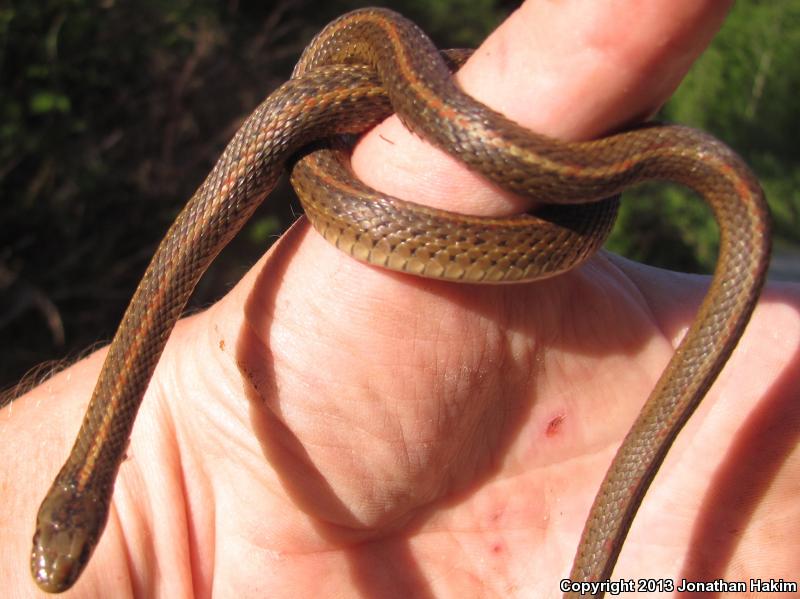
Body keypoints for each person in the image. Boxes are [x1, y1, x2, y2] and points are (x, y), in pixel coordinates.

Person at [3, 0, 799, 596]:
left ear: (89, 498)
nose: (62, 568)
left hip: (377, 71)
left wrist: (179, 496)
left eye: (69, 551)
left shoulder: (348, 79)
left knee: (568, 183)